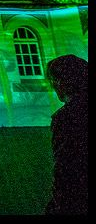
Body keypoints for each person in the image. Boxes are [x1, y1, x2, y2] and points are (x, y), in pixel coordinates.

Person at [45, 55, 88, 215]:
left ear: (64, 81)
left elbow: (66, 169)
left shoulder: (67, 117)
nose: (53, 87)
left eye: (54, 80)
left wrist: (56, 207)